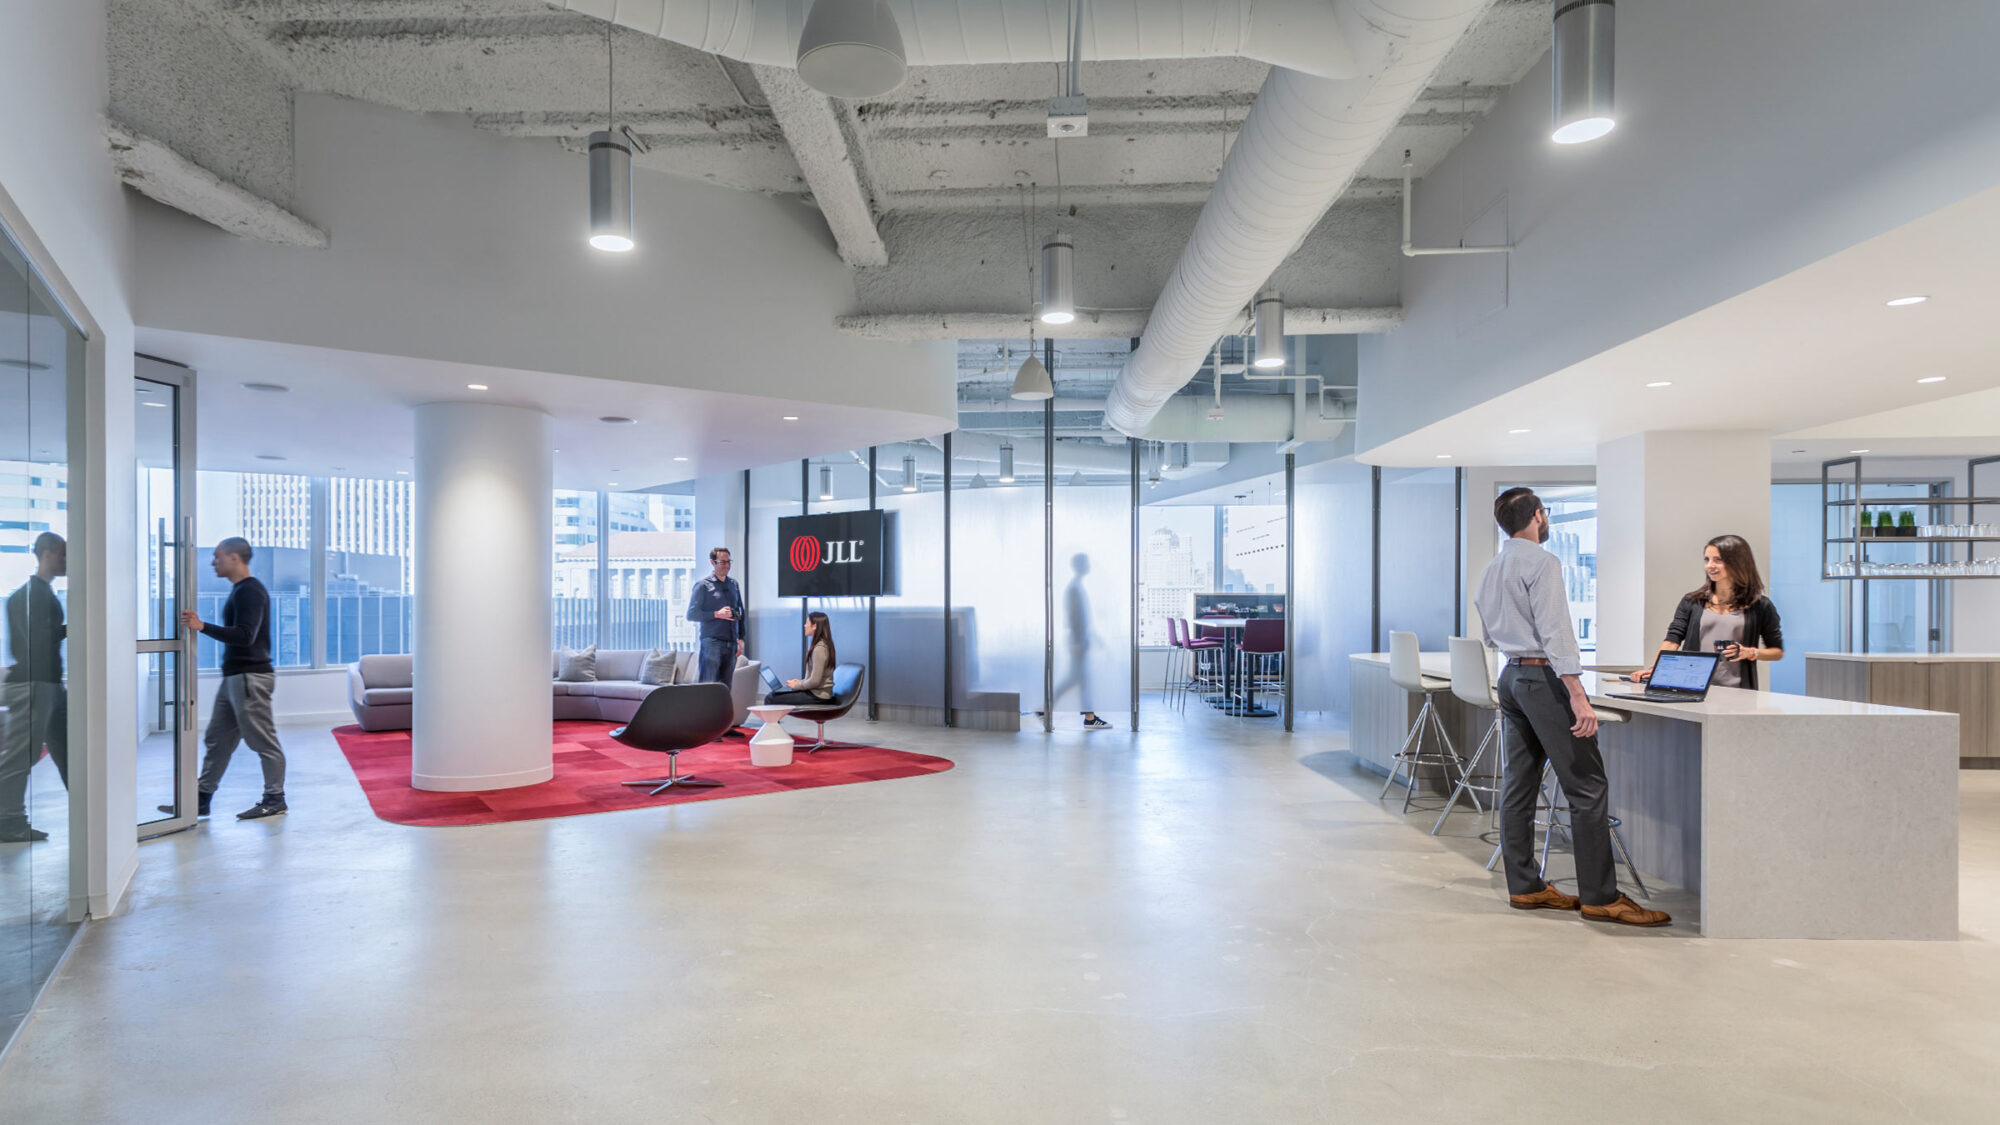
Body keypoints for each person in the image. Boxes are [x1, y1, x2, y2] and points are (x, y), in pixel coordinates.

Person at [1474, 488, 1668, 926]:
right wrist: (1577, 696)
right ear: (1539, 516)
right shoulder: (1542, 563)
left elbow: (1488, 632)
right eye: (1545, 514)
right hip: (1544, 680)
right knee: (1587, 786)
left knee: (1519, 787)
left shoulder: (1493, 567)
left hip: (1511, 677)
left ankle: (1525, 886)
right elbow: (1558, 632)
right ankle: (1601, 896)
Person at [176, 537, 287, 820]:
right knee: (218, 738)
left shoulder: (250, 591)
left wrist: (202, 626)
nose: (214, 562)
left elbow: (245, 635)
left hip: (250, 677)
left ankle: (274, 798)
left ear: (235, 558)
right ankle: (201, 799)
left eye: (217, 557)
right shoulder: (240, 590)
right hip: (236, 677)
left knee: (264, 741)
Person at [1631, 534, 1783, 691]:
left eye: (1718, 560)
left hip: (1739, 692)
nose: (1710, 565)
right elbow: (1672, 640)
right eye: (1707, 559)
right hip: (1691, 687)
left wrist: (1750, 652)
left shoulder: (1761, 605)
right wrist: (1655, 670)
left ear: (1738, 562)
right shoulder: (1692, 601)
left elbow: (1777, 652)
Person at [1, 532, 71, 843]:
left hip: (49, 683)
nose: (67, 561)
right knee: (21, 756)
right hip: (35, 684)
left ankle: (89, 811)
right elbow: (36, 643)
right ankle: (8, 821)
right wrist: (75, 626)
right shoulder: (31, 595)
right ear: (49, 553)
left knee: (70, 751)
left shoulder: (37, 593)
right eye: (64, 555)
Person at [1048, 553, 1111, 729]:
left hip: (1081, 639)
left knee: (1080, 679)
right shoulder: (1074, 588)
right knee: (1076, 678)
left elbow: (1083, 618)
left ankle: (1089, 718)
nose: (1089, 565)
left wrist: (1094, 637)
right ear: (1080, 565)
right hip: (1078, 641)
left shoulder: (1077, 586)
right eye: (1086, 563)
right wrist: (1077, 640)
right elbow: (1073, 616)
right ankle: (1046, 708)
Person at [686, 545, 744, 686]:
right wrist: (717, 614)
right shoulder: (702, 585)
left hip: (731, 643)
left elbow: (740, 612)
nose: (727, 565)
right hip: (712, 643)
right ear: (712, 562)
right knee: (708, 686)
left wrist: (741, 638)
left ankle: (722, 709)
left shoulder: (733, 584)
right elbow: (691, 614)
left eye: (729, 562)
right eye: (723, 562)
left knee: (726, 687)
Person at [765, 611, 836, 705]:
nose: (805, 625)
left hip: (818, 696)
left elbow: (815, 681)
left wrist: (797, 685)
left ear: (814, 626)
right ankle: (773, 720)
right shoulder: (822, 645)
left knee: (770, 698)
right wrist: (801, 682)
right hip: (816, 693)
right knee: (774, 695)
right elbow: (815, 678)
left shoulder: (819, 648)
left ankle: (771, 720)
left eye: (807, 623)